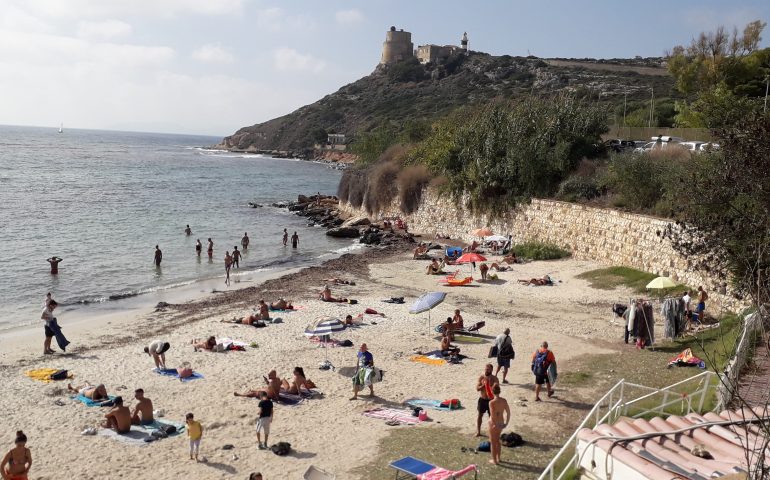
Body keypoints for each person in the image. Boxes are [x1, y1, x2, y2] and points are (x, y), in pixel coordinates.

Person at [488, 384, 510, 465]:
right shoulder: (504, 400)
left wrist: (494, 424)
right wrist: (506, 423)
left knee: (493, 442)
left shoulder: (491, 402)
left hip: (494, 424)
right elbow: (508, 412)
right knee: (498, 441)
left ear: (492, 391)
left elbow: (492, 414)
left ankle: (494, 460)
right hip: (501, 422)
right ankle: (498, 458)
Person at [475, 364, 499, 436]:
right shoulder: (481, 377)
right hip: (482, 399)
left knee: (491, 417)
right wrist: (484, 385)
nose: (486, 370)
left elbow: (497, 391)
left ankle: (492, 432)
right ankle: (478, 432)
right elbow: (477, 389)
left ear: (492, 370)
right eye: (486, 369)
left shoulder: (495, 378)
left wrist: (491, 385)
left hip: (491, 400)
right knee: (480, 415)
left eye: (488, 369)